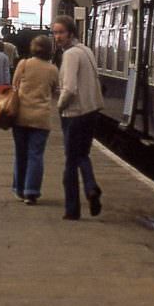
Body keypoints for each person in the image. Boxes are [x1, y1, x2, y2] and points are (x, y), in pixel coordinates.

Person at [51, 15, 104, 220]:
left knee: (70, 163)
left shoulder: (71, 54)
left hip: (74, 113)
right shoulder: (86, 50)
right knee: (82, 155)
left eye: (61, 32)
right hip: (91, 111)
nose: (58, 37)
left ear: (71, 33)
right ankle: (91, 188)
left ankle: (72, 209)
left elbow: (70, 88)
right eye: (55, 32)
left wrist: (59, 105)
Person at [10, 35, 60, 205]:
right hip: (41, 118)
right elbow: (55, 90)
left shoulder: (23, 64)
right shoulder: (53, 69)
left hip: (20, 116)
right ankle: (31, 192)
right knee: (36, 155)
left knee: (20, 153)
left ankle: (19, 189)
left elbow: (14, 86)